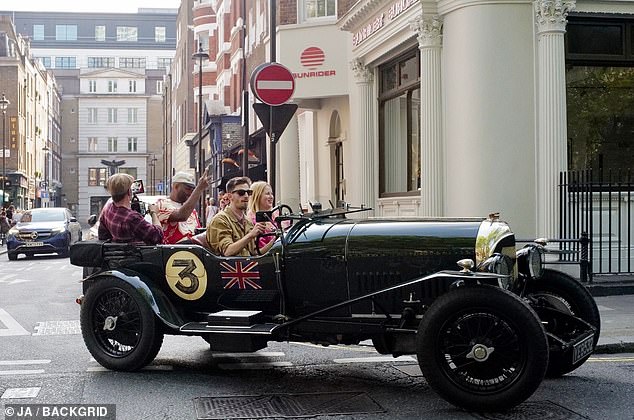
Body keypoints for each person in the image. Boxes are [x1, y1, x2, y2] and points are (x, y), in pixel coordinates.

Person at [207, 176, 274, 256]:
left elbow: (255, 253)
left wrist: (275, 241)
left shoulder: (247, 221)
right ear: (229, 196)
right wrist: (251, 234)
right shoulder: (220, 220)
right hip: (229, 267)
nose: (246, 196)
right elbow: (227, 251)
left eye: (248, 192)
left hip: (249, 266)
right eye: (241, 193)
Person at [98, 173, 163, 244]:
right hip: (136, 254)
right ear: (129, 191)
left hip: (117, 252)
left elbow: (103, 235)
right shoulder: (132, 218)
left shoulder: (108, 207)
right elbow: (157, 236)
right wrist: (154, 213)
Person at [156, 170, 209, 244]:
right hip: (174, 251)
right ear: (176, 186)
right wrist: (199, 189)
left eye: (192, 190)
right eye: (187, 189)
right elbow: (181, 216)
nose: (191, 193)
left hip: (193, 251)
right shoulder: (161, 204)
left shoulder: (191, 210)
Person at [246, 181, 277, 249]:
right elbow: (258, 250)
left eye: (271, 193)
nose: (271, 197)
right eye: (267, 194)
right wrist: (276, 240)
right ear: (257, 196)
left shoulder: (276, 215)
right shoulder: (251, 220)